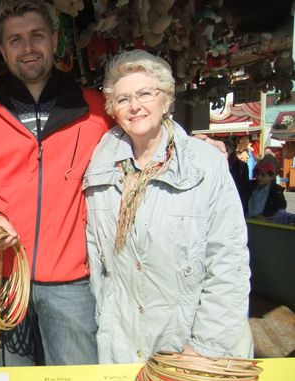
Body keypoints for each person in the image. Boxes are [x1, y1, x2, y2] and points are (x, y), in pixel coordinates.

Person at [0, 0, 113, 366]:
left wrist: (185, 143)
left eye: (36, 36)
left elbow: (141, 139)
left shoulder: (96, 110)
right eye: (15, 39)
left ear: (55, 41)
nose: (27, 47)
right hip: (4, 279)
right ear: (3, 49)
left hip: (72, 282)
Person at [83, 50, 253, 364]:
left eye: (145, 93)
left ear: (166, 100)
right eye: (122, 99)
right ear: (113, 110)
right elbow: (99, 263)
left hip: (189, 346)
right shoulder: (99, 169)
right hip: (121, 348)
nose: (134, 106)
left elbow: (228, 262)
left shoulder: (204, 165)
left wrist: (206, 348)